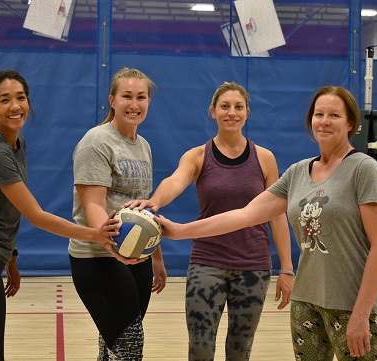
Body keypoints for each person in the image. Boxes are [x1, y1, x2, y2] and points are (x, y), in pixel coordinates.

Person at [155, 85, 377, 361]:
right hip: (307, 302)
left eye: (334, 115)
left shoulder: (364, 169)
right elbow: (245, 215)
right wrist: (181, 231)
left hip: (349, 302)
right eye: (319, 114)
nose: (324, 121)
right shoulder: (298, 173)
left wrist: (362, 313)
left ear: (351, 123)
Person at [0, 69, 120, 361]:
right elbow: (36, 215)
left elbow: (1, 209)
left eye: (21, 98)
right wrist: (94, 234)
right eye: (5, 100)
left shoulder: (16, 144)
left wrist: (10, 257)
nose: (15, 106)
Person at [125, 81, 293, 361]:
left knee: (240, 351)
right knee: (200, 350)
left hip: (253, 266)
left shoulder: (264, 158)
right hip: (207, 263)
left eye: (238, 107)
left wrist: (286, 269)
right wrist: (155, 202)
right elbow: (175, 181)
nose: (232, 113)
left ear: (248, 113)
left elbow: (276, 216)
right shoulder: (197, 156)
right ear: (212, 112)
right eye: (224, 106)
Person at [68, 67, 167, 361]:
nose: (134, 104)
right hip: (98, 257)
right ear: (112, 100)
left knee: (113, 347)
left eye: (141, 97)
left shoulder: (144, 146)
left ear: (149, 102)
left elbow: (143, 209)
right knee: (129, 346)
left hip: (137, 258)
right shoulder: (96, 141)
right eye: (126, 96)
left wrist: (156, 257)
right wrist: (114, 247)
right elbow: (94, 206)